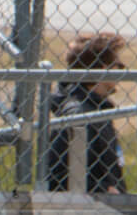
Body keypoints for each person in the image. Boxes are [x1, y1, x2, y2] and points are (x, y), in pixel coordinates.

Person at [44, 32, 127, 194]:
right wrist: (105, 191)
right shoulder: (78, 115)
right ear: (103, 68)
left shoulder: (96, 109)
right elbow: (60, 176)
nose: (122, 72)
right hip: (89, 211)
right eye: (119, 65)